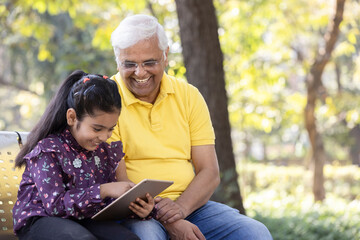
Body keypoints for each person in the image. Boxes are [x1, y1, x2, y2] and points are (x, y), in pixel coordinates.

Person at [108, 14, 273, 240]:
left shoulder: (188, 96)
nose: (140, 72)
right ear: (118, 61)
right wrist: (169, 220)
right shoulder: (106, 99)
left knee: (255, 233)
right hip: (135, 212)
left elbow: (209, 171)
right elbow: (121, 186)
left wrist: (181, 210)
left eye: (149, 62)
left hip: (190, 206)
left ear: (165, 56)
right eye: (129, 64)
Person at [12, 70, 155, 240]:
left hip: (84, 218)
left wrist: (139, 208)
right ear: (72, 117)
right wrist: (103, 190)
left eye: (110, 129)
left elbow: (106, 204)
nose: (104, 137)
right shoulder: (48, 150)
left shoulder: (104, 152)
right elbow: (56, 207)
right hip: (41, 220)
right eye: (97, 129)